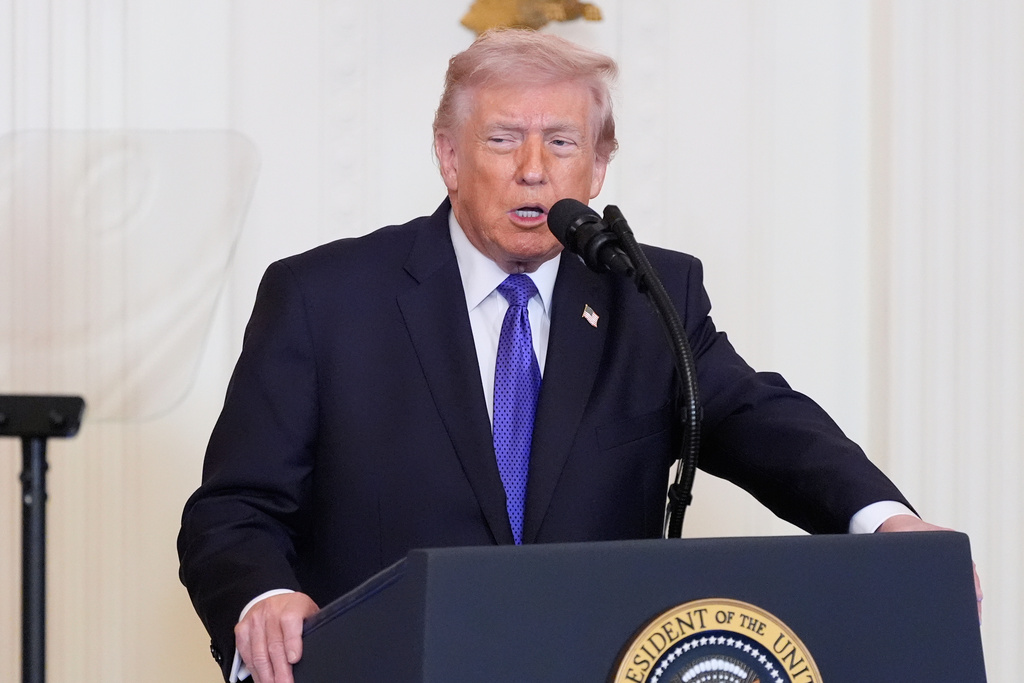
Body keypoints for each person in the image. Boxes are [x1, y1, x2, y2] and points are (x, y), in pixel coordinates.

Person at [177, 28, 980, 683]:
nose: (533, 169)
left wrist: (886, 520)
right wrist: (264, 597)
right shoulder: (325, 298)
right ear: (449, 157)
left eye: (561, 142)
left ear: (597, 167)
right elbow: (232, 510)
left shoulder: (649, 294)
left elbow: (758, 418)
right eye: (502, 139)